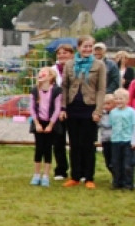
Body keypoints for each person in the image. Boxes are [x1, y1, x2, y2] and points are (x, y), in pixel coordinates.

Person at [60, 35, 106, 188]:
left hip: (90, 108)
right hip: (73, 108)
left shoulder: (99, 65)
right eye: (84, 46)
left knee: (88, 144)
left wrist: (98, 111)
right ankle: (75, 176)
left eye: (90, 47)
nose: (87, 49)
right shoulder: (69, 64)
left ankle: (89, 177)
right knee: (74, 144)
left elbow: (101, 89)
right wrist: (63, 107)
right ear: (78, 48)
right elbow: (65, 86)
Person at [29, 66, 62, 187]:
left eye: (45, 73)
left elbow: (57, 109)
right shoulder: (35, 90)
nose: (41, 74)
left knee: (48, 149)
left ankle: (46, 175)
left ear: (51, 76)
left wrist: (51, 125)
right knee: (39, 149)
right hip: (38, 123)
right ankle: (36, 174)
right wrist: (37, 123)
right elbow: (32, 108)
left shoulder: (57, 90)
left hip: (50, 124)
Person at [52, 43, 75, 179]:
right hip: (56, 110)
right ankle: (61, 169)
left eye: (65, 53)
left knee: (75, 142)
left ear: (72, 54)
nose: (62, 56)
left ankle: (77, 170)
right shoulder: (52, 69)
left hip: (73, 109)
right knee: (58, 142)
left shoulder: (76, 69)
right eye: (59, 53)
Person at [107, 88, 135, 190]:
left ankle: (128, 184)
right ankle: (117, 183)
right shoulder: (113, 112)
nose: (119, 101)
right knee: (116, 163)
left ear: (127, 100)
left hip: (127, 141)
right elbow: (110, 125)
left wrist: (133, 140)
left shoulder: (131, 112)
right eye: (117, 99)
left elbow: (134, 126)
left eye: (121, 99)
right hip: (115, 141)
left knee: (127, 164)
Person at [98, 92, 116, 181]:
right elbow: (99, 124)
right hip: (105, 140)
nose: (106, 106)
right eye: (104, 103)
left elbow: (110, 125)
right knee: (108, 161)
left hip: (115, 140)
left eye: (108, 103)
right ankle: (114, 175)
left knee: (115, 160)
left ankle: (117, 176)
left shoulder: (116, 114)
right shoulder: (102, 114)